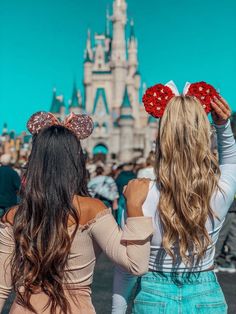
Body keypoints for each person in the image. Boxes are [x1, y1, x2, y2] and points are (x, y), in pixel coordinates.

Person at [0, 111, 153, 314]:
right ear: (76, 161)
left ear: (35, 161)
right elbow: (136, 265)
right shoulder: (91, 210)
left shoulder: (14, 216)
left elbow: (2, 287)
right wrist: (134, 208)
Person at [112, 81, 235, 314]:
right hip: (206, 297)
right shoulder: (220, 190)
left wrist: (117, 311)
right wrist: (223, 126)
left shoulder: (138, 194)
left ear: (161, 138)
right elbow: (231, 160)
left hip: (153, 298)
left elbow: (127, 267)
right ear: (203, 137)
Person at [215, 196, 236, 273]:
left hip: (227, 204)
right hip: (232, 205)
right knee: (233, 234)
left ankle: (214, 261)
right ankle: (231, 261)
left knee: (221, 234)